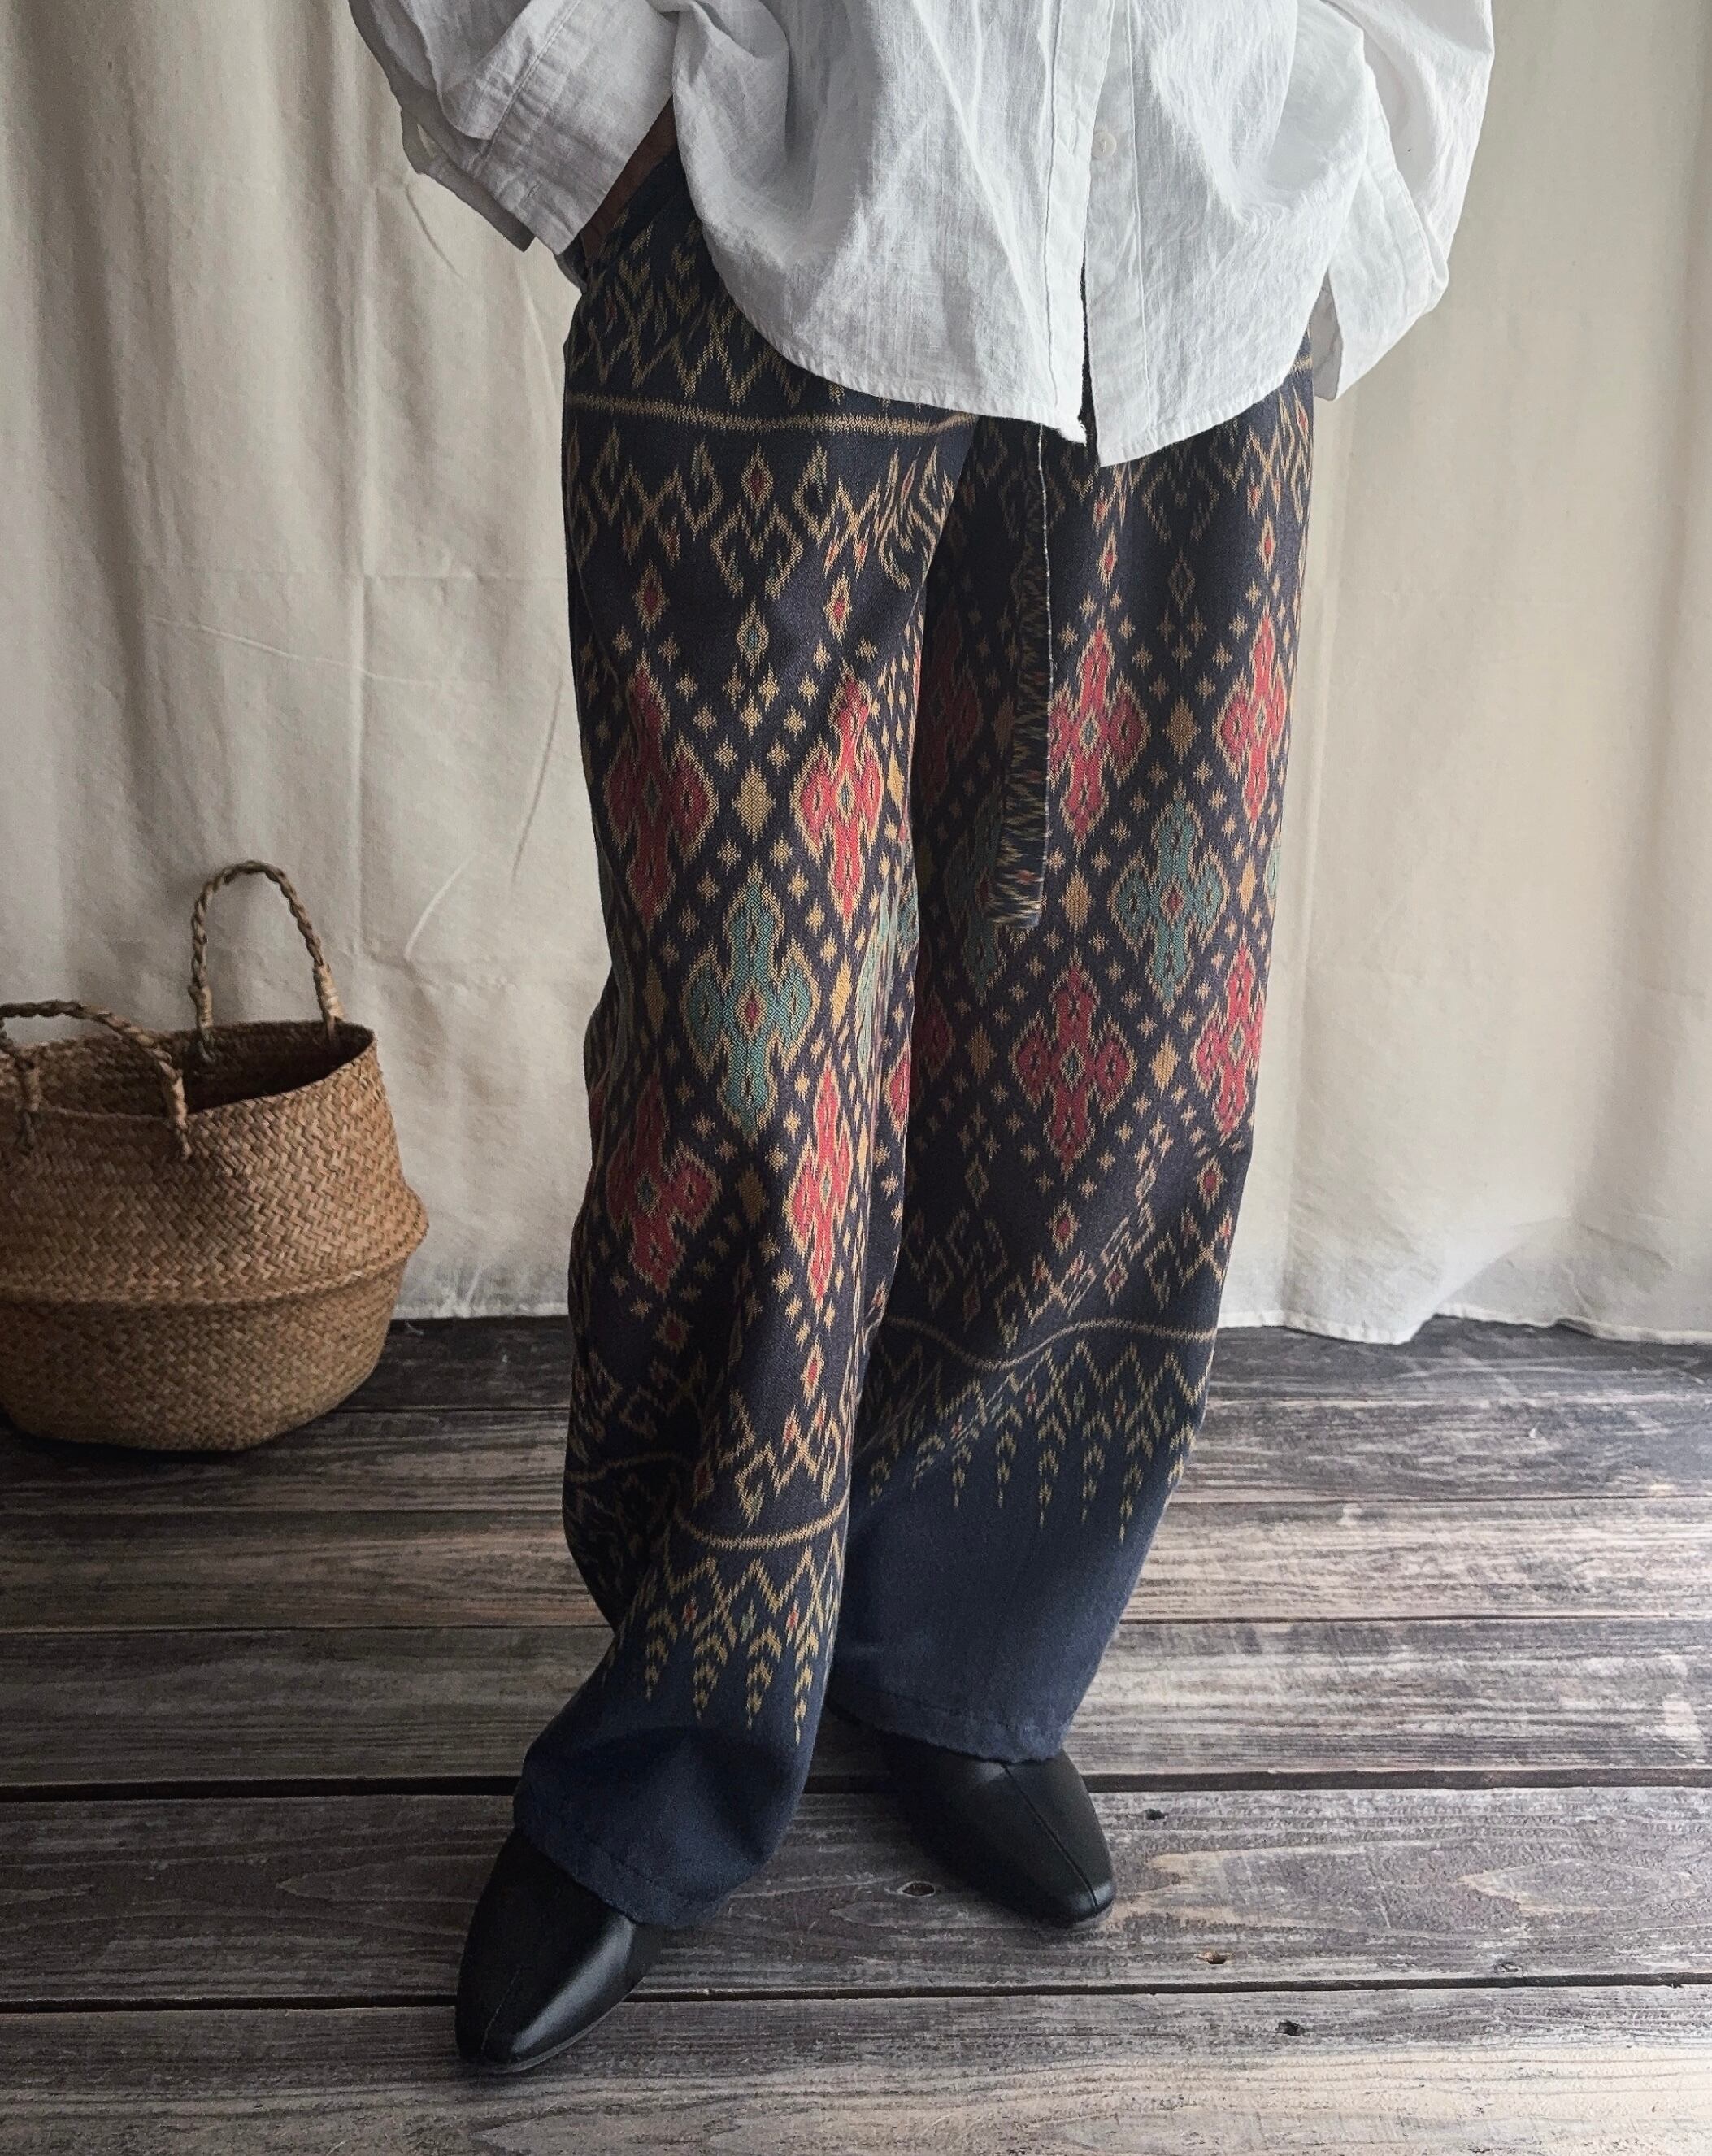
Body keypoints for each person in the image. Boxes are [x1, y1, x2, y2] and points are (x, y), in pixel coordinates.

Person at [350, 0, 1493, 2075]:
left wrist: (1365, 171)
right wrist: (594, 124)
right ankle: (679, 1733)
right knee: (746, 1068)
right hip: (795, 208)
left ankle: (961, 1657)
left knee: (1126, 1053)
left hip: (1198, 238)